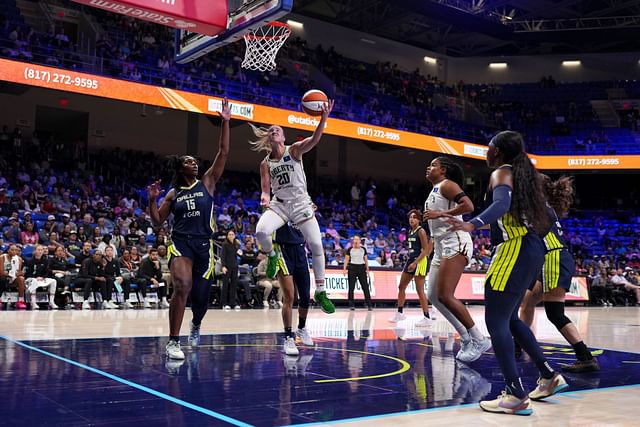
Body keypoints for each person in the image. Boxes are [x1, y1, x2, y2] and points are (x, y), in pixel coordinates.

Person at [446, 131, 567, 415]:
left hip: (514, 250)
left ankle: (514, 394)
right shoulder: (528, 178)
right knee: (510, 318)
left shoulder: (501, 173)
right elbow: (546, 216)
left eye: (488, 147)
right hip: (532, 249)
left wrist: (472, 224)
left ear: (498, 152)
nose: (485, 152)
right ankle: (548, 376)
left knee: (496, 321)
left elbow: (500, 205)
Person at [148, 99, 230, 360]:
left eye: (195, 161)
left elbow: (223, 153)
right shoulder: (174, 192)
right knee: (182, 286)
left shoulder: (207, 182)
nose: (194, 163)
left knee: (202, 297)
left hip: (204, 245)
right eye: (189, 161)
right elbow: (157, 222)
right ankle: (173, 341)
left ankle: (196, 323)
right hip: (181, 242)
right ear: (180, 167)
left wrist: (225, 122)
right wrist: (151, 199)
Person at [251, 101, 335, 314]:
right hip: (280, 205)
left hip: (300, 204)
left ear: (283, 136)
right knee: (261, 231)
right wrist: (263, 196)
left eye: (277, 129)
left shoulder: (295, 150)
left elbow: (315, 139)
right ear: (269, 138)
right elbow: (265, 189)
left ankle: (321, 291)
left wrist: (323, 118)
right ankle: (272, 256)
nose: (274, 131)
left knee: (316, 245)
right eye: (271, 130)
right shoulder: (265, 163)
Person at [518, 176, 599, 373]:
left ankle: (584, 356)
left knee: (554, 313)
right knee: (528, 303)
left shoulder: (536, 209)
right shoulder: (544, 207)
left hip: (554, 259)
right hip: (554, 259)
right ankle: (517, 345)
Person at [423, 157, 490, 363]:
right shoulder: (434, 189)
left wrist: (440, 213)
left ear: (443, 170)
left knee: (445, 295)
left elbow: (468, 205)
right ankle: (467, 337)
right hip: (442, 245)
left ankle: (479, 338)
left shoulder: (447, 185)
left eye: (433, 165)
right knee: (433, 296)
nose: (429, 167)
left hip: (455, 241)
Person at [273, 223, 314, 356]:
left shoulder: (301, 204)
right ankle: (288, 337)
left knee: (306, 295)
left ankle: (301, 328)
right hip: (283, 249)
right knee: (290, 296)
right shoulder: (278, 204)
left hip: (300, 250)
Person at [389, 210, 432, 326]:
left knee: (419, 290)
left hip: (421, 261)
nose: (411, 219)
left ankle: (427, 317)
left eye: (414, 217)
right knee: (401, 286)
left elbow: (425, 250)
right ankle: (400, 313)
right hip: (411, 260)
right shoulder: (410, 231)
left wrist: (416, 262)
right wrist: (410, 260)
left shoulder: (421, 231)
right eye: (410, 217)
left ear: (419, 220)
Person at [342, 236, 372, 310]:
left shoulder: (363, 249)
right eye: (354, 239)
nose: (356, 241)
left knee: (365, 287)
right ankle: (351, 304)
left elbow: (366, 260)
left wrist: (367, 269)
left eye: (357, 239)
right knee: (351, 287)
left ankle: (369, 304)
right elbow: (346, 260)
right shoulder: (350, 249)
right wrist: (344, 269)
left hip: (361, 268)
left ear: (360, 241)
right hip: (352, 268)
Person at [24, 244, 57, 309]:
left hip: (41, 279)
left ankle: (51, 301)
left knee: (53, 281)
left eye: (41, 250)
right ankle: (33, 302)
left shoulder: (45, 261)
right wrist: (35, 277)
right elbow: (27, 273)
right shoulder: (29, 261)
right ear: (34, 251)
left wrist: (43, 277)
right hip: (31, 279)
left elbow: (47, 271)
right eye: (38, 250)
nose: (40, 251)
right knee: (33, 281)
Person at [0, 244, 27, 309]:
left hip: (13, 279)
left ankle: (20, 301)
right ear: (8, 250)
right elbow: (1, 272)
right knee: (2, 279)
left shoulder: (19, 259)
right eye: (12, 250)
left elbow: (18, 272)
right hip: (3, 277)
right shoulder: (2, 257)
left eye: (15, 250)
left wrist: (20, 274)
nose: (14, 251)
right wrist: (10, 274)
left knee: (21, 279)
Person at [220, 230, 240, 310]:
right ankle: (224, 303)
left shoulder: (236, 244)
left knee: (234, 285)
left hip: (235, 266)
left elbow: (239, 254)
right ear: (227, 236)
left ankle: (233, 303)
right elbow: (223, 256)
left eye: (232, 234)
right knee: (225, 285)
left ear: (234, 236)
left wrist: (239, 247)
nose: (231, 236)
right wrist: (223, 266)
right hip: (227, 267)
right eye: (230, 234)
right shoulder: (225, 244)